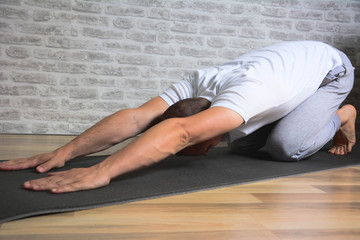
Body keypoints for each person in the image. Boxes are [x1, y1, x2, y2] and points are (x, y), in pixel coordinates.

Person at [0, 41, 356, 194]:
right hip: (290, 74)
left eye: (198, 150)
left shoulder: (250, 94)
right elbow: (138, 117)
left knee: (285, 146)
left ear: (208, 135)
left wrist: (101, 171)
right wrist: (67, 151)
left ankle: (342, 114)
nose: (199, 156)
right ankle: (302, 114)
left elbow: (182, 133)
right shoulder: (198, 83)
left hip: (331, 72)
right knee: (244, 144)